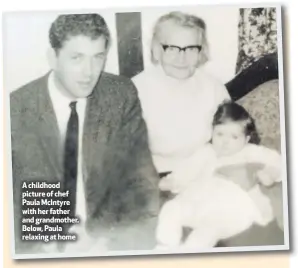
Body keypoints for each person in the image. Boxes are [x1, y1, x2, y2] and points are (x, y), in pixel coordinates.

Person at [10, 13, 159, 254]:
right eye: (76, 58)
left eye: (98, 57)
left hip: (107, 240)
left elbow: (141, 182)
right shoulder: (16, 109)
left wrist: (113, 243)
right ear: (53, 58)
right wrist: (40, 243)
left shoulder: (119, 96)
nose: (89, 72)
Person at [155, 102, 282, 251]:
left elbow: (278, 162)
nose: (225, 142)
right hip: (199, 201)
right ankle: (165, 247)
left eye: (234, 137)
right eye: (220, 134)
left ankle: (187, 255)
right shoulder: (206, 152)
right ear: (212, 132)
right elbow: (187, 170)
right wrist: (172, 180)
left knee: (207, 231)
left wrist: (270, 174)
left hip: (232, 208)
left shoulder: (251, 151)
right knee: (171, 208)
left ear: (246, 139)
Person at [132, 11, 230, 175]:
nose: (181, 58)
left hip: (207, 172)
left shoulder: (213, 87)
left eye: (191, 49)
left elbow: (232, 133)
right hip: (155, 176)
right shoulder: (135, 90)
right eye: (172, 48)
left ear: (201, 52)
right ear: (156, 50)